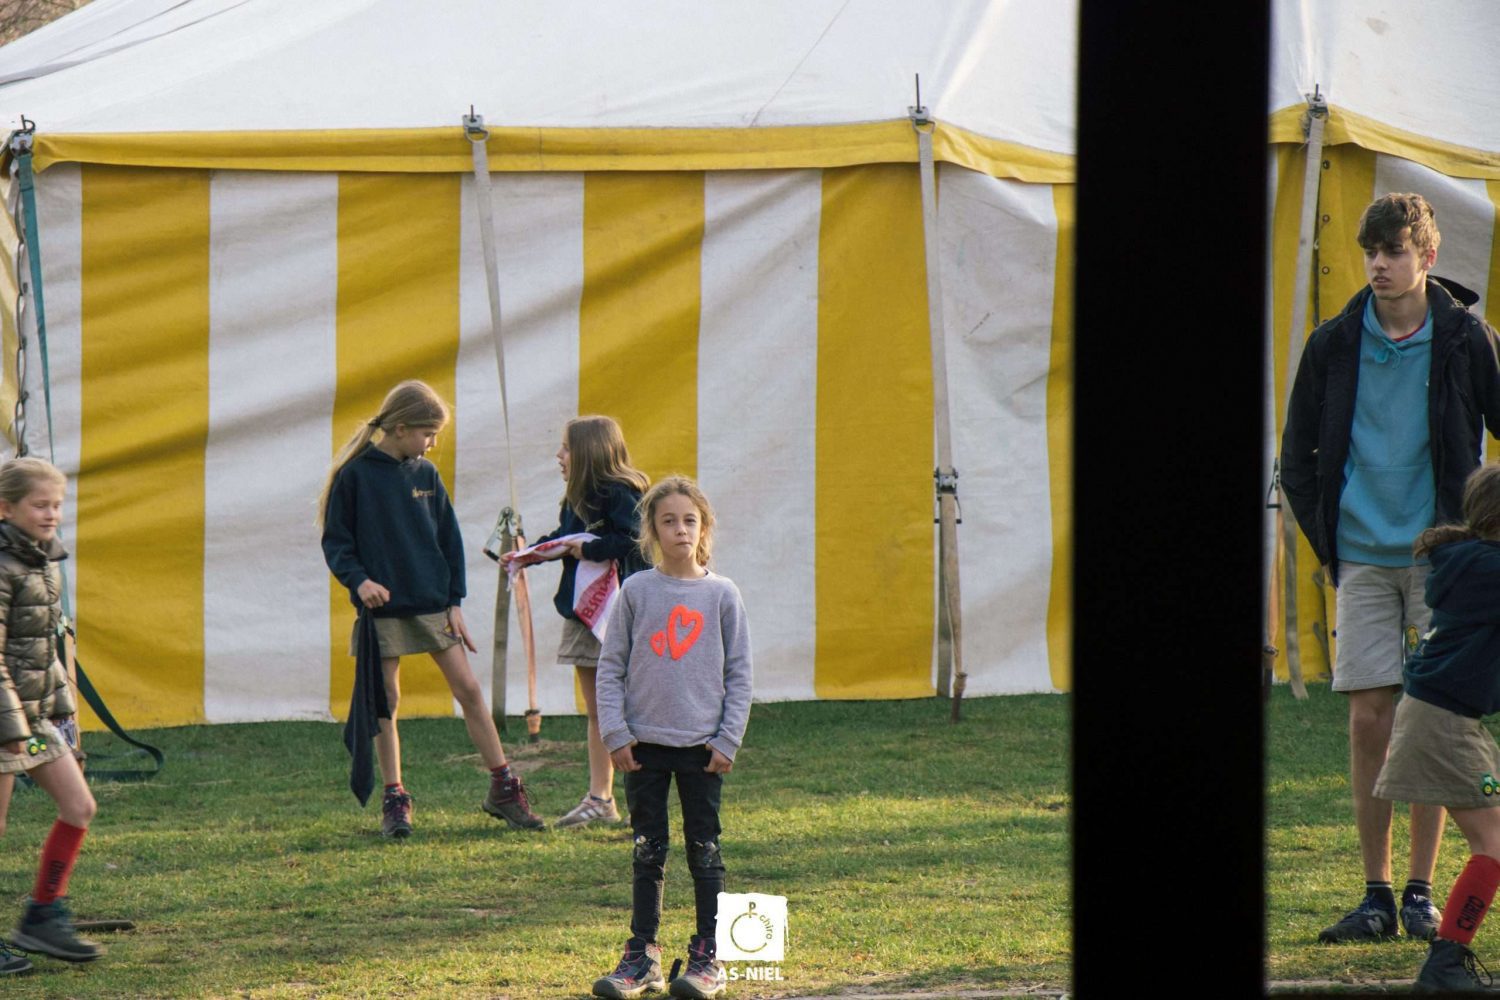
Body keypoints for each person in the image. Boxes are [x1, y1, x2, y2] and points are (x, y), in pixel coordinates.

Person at [1281, 192, 1500, 943]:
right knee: (1369, 717)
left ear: (1427, 256)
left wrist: (1483, 535)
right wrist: (1329, 541)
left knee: (1430, 713)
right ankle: (1375, 895)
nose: (1378, 264)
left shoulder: (1467, 337)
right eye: (1371, 251)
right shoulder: (1333, 342)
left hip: (1443, 561)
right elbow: (1296, 457)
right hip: (1361, 560)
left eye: (1394, 251)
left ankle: (1419, 893)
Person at [320, 379, 544, 836]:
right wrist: (360, 581)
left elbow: (449, 541)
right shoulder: (355, 476)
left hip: (433, 607)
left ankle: (503, 787)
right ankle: (395, 797)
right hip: (382, 612)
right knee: (386, 701)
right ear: (401, 428)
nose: (433, 443)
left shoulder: (426, 475)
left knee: (470, 690)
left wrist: (454, 602)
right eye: (429, 433)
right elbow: (337, 542)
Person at [590, 476, 752, 1000]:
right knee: (647, 849)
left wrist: (727, 739)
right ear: (652, 531)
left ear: (704, 528)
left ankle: (709, 956)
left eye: (689, 520)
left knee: (705, 849)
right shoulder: (636, 592)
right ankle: (643, 957)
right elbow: (610, 668)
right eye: (668, 521)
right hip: (644, 749)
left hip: (703, 750)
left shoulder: (722, 595)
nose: (680, 529)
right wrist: (616, 733)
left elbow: (739, 674)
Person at [1374, 464, 1500, 990]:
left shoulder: (1473, 561)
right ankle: (1446, 962)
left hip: (1446, 718)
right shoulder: (1488, 567)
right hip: (1442, 723)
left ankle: (1447, 960)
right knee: (1494, 844)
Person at [503, 415, 649, 830]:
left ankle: (643, 800)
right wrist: (526, 554)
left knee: (633, 708)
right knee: (599, 710)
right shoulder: (575, 499)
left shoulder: (622, 492)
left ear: (588, 451)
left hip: (620, 615)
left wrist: (590, 549)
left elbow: (634, 540)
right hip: (583, 618)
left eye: (566, 447)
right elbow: (564, 538)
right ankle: (601, 798)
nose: (559, 455)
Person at [0, 457, 101, 970]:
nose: (51, 514)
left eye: (57, 505)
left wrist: (60, 720)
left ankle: (42, 915)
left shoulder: (43, 560)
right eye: (40, 505)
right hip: (4, 728)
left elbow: (45, 653)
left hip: (35, 728)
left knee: (78, 806)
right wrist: (11, 729)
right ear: (5, 508)